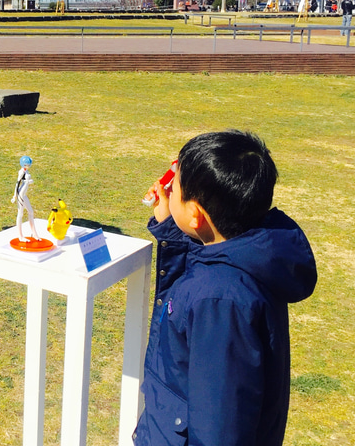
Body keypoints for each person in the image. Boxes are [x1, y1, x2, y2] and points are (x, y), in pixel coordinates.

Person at [136, 130, 317, 446]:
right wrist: (171, 226)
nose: (168, 189)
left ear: (195, 214)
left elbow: (220, 427)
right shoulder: (243, 253)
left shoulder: (219, 301)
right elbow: (206, 254)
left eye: (175, 188)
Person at [11, 155, 40, 242]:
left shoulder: (26, 171)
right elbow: (17, 183)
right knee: (20, 214)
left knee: (30, 211)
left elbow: (25, 182)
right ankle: (20, 236)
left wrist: (28, 182)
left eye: (28, 165)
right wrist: (14, 196)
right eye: (26, 165)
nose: (27, 166)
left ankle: (34, 233)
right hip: (20, 194)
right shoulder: (21, 172)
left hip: (24, 194)